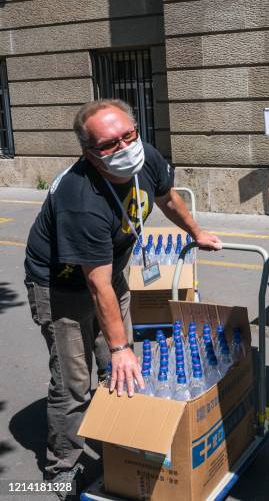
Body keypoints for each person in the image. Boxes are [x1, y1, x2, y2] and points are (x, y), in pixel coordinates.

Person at [24, 99, 222, 496]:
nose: (123, 147)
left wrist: (195, 231)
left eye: (127, 135)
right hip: (61, 287)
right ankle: (62, 466)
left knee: (120, 364)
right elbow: (95, 285)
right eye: (109, 144)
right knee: (73, 381)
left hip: (109, 273)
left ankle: (116, 433)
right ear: (89, 152)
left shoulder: (143, 155)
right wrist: (118, 347)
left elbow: (167, 196)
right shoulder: (81, 200)